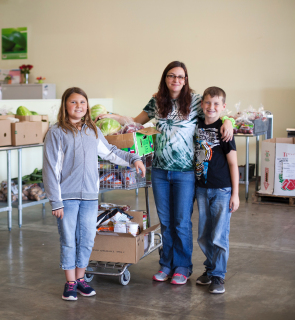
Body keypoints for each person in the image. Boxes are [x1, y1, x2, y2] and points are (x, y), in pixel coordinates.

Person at [98, 61, 233, 285]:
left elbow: (215, 112)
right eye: (172, 76)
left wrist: (228, 121)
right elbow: (136, 122)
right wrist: (115, 117)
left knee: (181, 221)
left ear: (186, 79)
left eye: (181, 77)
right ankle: (166, 264)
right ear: (165, 78)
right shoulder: (157, 101)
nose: (177, 80)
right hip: (160, 171)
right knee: (166, 221)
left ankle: (182, 266)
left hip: (185, 172)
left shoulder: (196, 101)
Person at [43, 87, 145, 301]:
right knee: (69, 239)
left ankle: (81, 279)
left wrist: (133, 158)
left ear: (87, 106)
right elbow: (51, 169)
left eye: (82, 102)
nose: (79, 106)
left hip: (89, 196)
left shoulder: (92, 130)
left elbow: (111, 153)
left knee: (88, 238)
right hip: (67, 198)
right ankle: (69, 283)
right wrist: (56, 201)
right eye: (73, 102)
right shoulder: (56, 132)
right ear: (65, 105)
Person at [194, 87, 239, 294]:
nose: (211, 107)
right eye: (207, 103)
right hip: (202, 189)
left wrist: (235, 194)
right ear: (202, 104)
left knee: (219, 235)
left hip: (222, 189)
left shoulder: (225, 130)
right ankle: (211, 268)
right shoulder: (196, 124)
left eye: (216, 104)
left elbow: (233, 164)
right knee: (204, 234)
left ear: (223, 107)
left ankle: (218, 275)